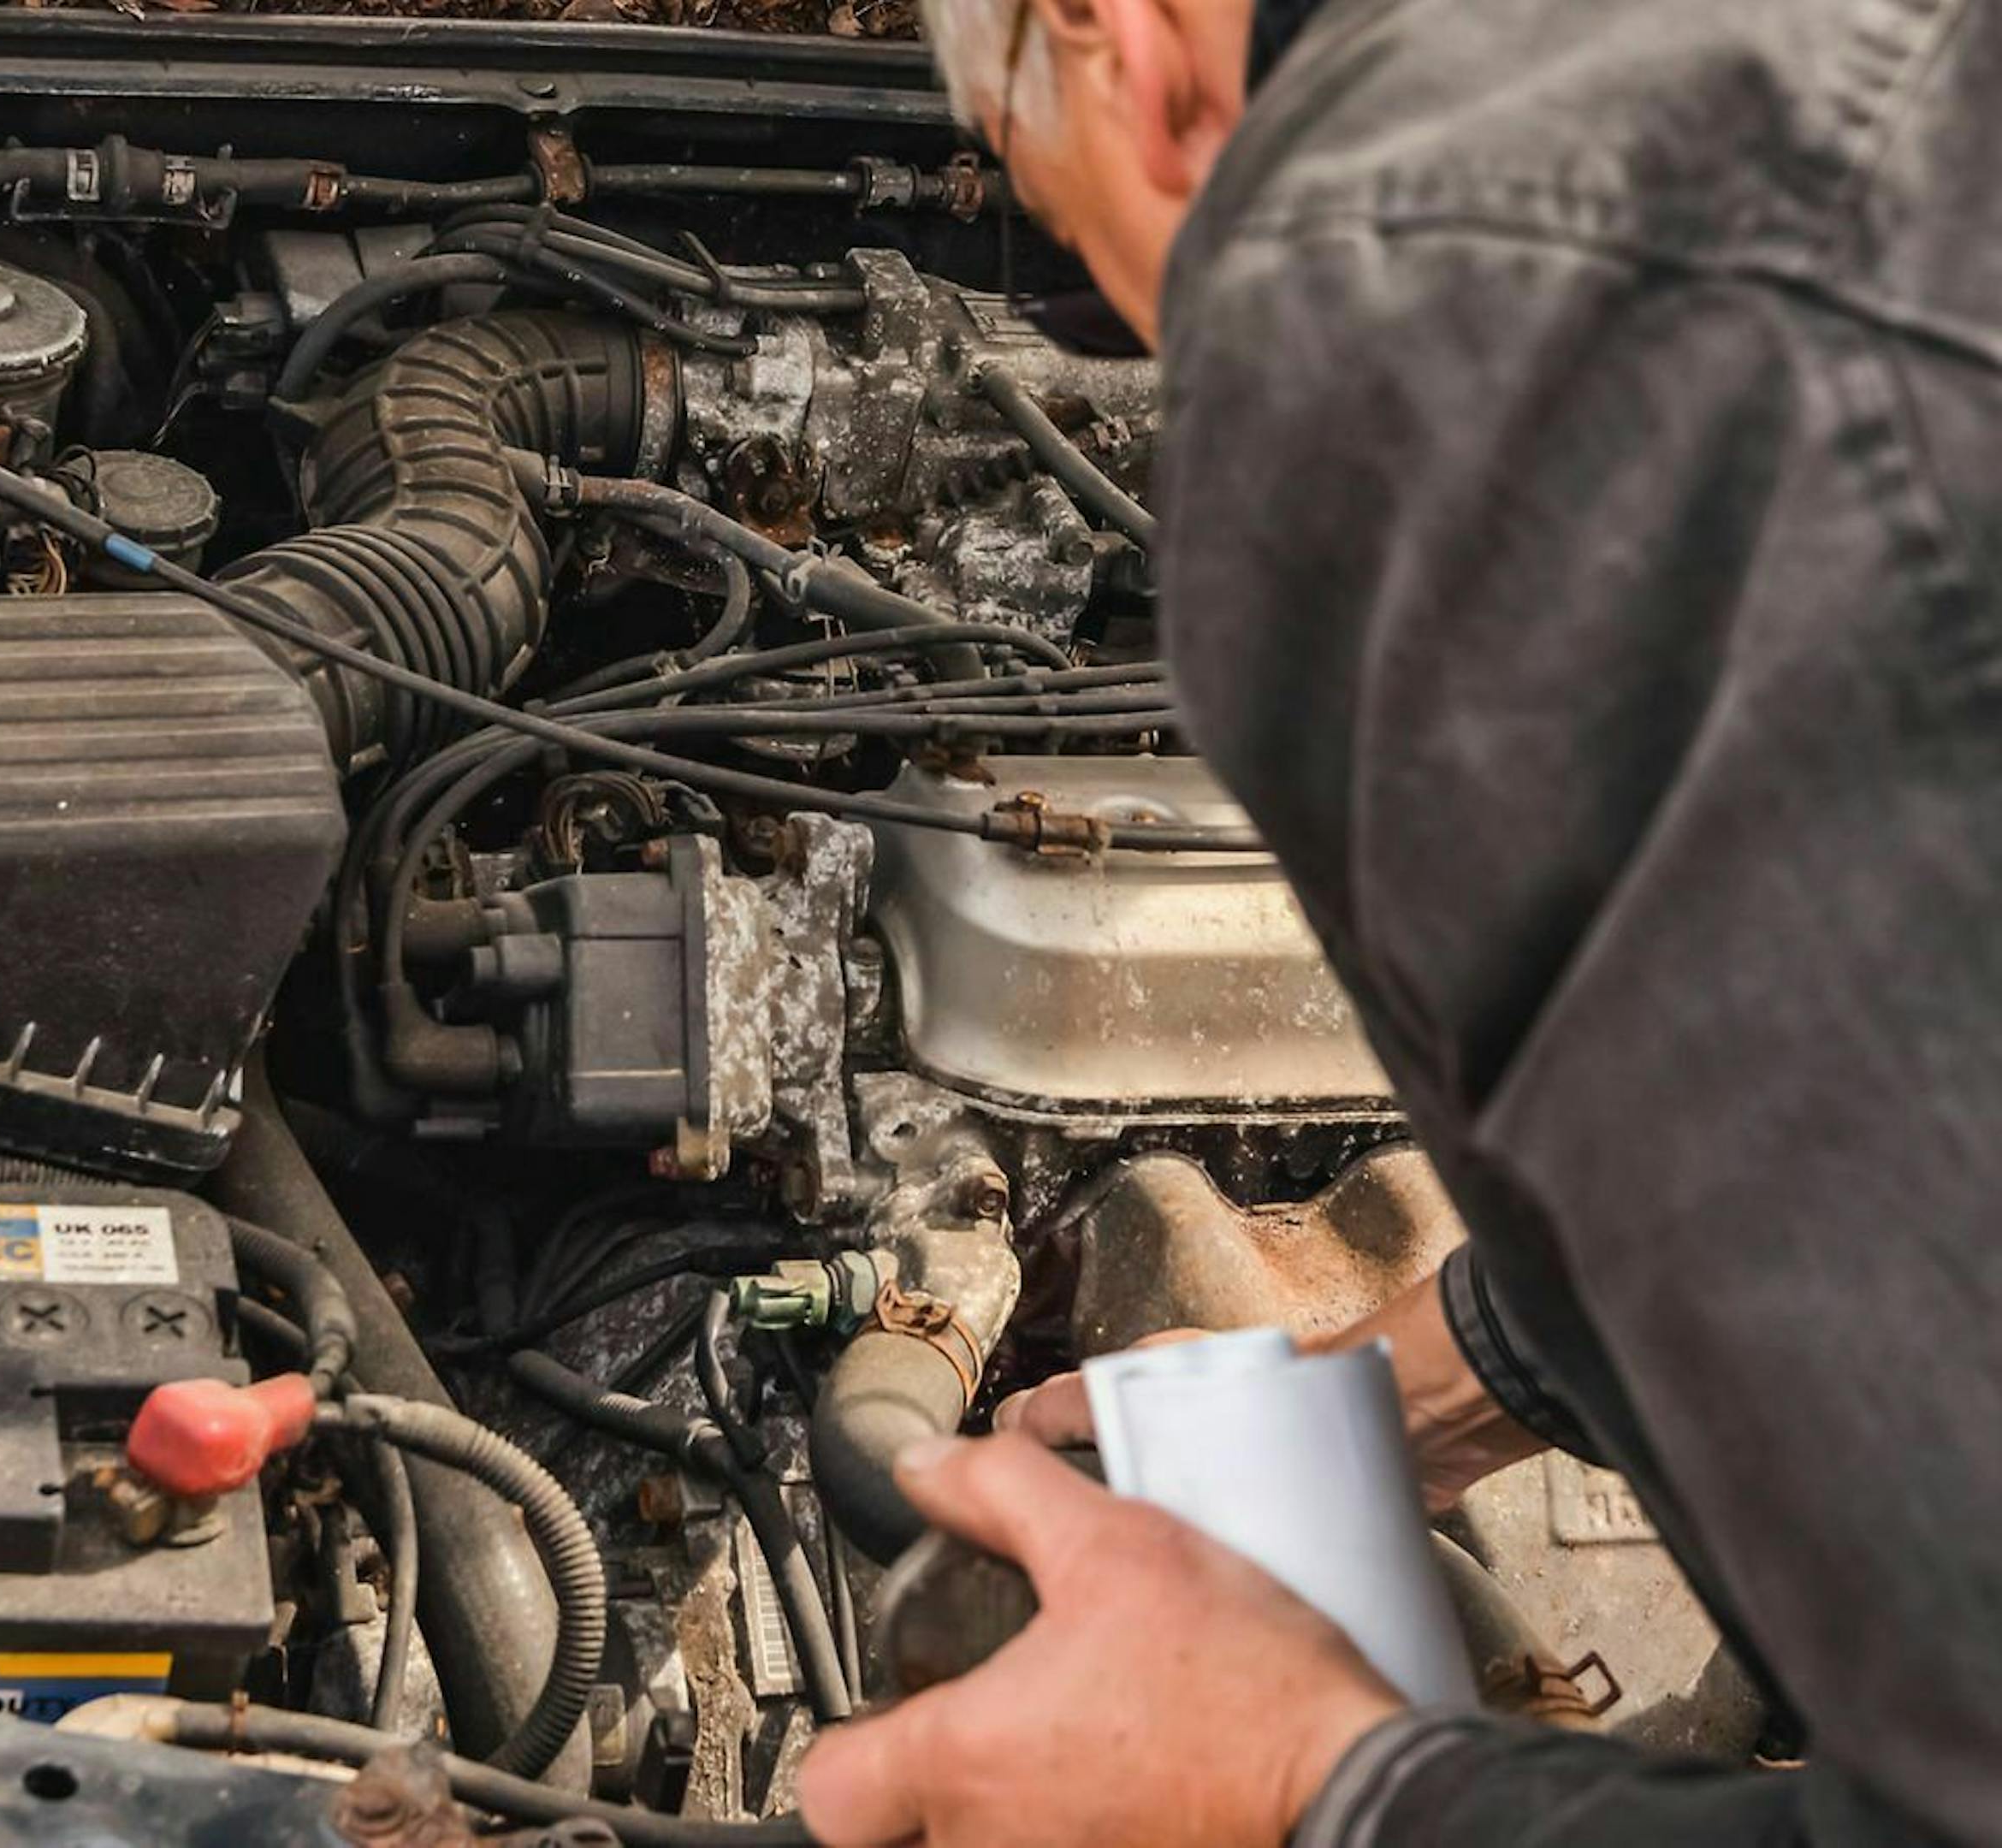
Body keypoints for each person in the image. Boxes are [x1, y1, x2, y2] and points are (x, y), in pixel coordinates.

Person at [794, 0, 2002, 1843]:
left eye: (1069, 220)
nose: (1137, 322)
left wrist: (1319, 1779)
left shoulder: (1419, 290)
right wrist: (1434, 1389)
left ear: (1117, 41)